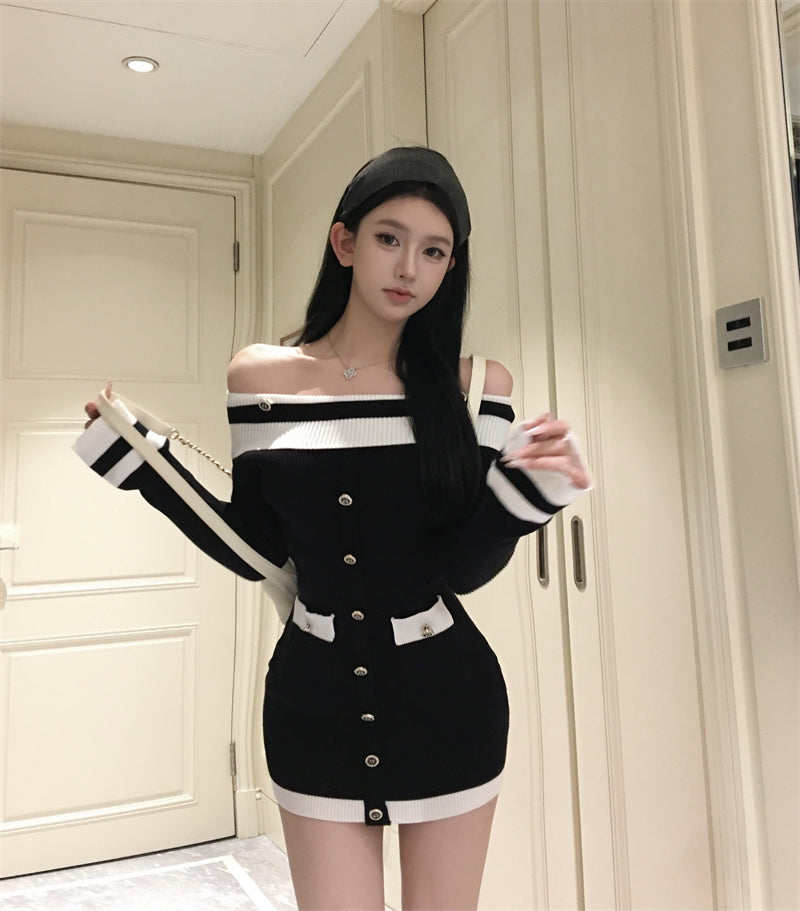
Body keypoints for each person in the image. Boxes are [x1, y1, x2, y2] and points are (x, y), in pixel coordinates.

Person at [77, 146, 589, 911]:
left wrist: (526, 497)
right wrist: (143, 465)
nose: (409, 267)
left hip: (449, 704)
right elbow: (256, 544)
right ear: (345, 241)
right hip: (311, 706)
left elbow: (460, 568)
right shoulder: (260, 378)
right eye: (389, 237)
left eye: (434, 250)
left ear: (451, 266)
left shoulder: (478, 387)